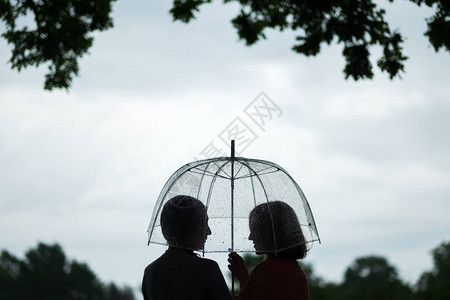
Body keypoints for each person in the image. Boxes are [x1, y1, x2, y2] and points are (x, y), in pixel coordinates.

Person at [142, 195, 232, 300]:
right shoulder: (207, 269)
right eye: (204, 223)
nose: (209, 231)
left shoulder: (150, 272)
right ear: (189, 226)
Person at [228, 201, 309, 300]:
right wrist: (243, 277)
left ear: (270, 233)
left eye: (255, 230)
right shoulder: (298, 273)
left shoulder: (265, 271)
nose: (250, 237)